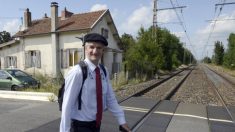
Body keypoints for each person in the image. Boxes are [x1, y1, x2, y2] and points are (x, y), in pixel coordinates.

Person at [60, 33, 131, 132]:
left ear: (103, 50)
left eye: (99, 48)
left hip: (96, 125)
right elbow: (67, 105)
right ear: (85, 49)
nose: (95, 51)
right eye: (91, 47)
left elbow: (110, 98)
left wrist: (122, 121)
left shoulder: (103, 70)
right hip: (79, 126)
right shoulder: (77, 72)